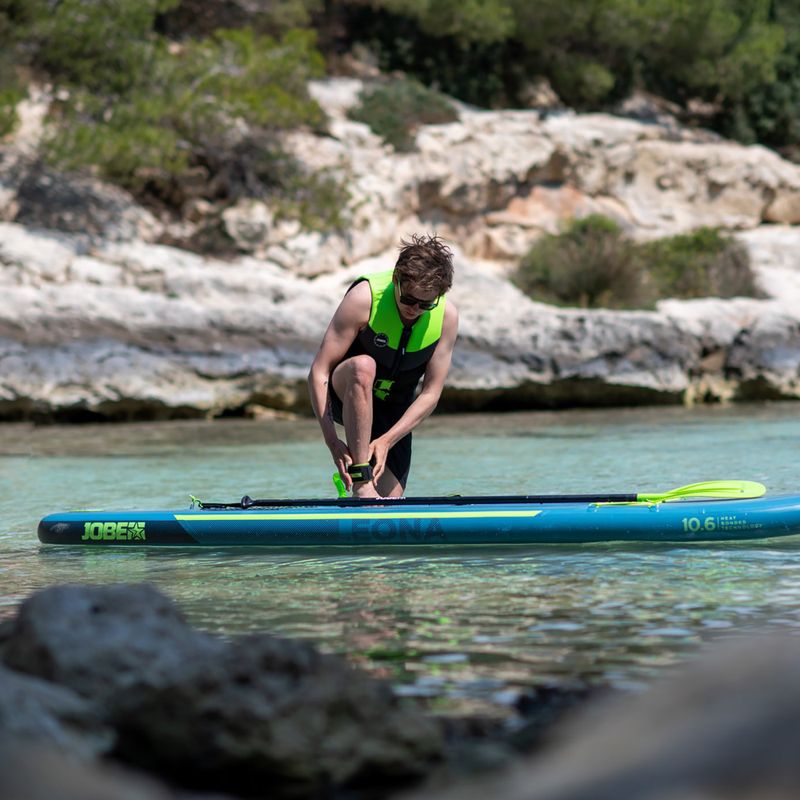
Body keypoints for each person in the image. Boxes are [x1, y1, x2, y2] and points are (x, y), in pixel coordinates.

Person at [308, 234, 458, 498]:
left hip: (392, 412)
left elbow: (431, 394)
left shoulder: (447, 318)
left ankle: (361, 496)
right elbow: (319, 371)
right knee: (364, 366)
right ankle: (361, 484)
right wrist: (332, 441)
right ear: (395, 281)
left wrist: (388, 439)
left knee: (388, 503)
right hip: (346, 393)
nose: (415, 309)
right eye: (409, 299)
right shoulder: (364, 298)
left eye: (426, 304)